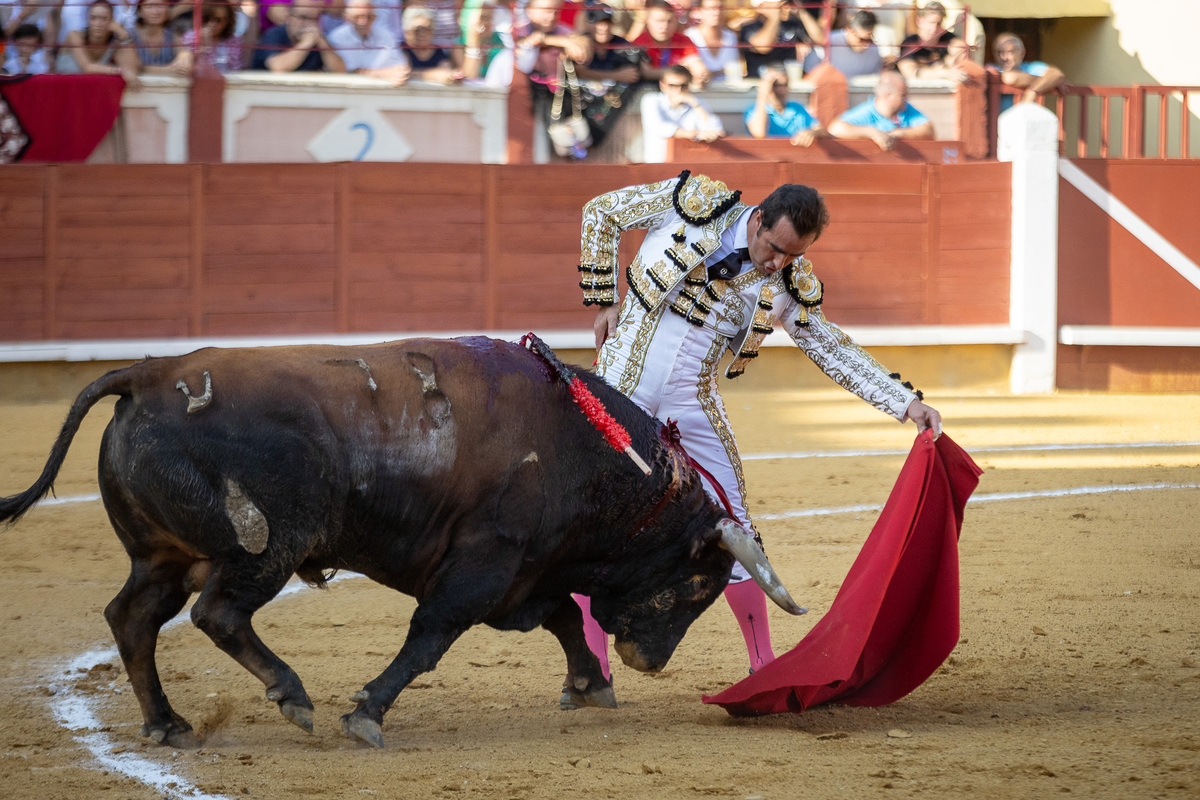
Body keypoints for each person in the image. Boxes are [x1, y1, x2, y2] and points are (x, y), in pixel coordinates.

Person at [574, 171, 942, 686]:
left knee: (735, 523)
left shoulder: (787, 284)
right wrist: (603, 298)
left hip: (691, 400)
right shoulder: (691, 204)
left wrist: (904, 403)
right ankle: (589, 673)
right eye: (774, 248)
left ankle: (763, 666)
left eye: (792, 256)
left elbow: (830, 347)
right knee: (594, 519)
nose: (778, 263)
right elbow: (602, 211)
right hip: (620, 382)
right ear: (760, 218)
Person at [827, 68, 933, 150]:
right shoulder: (867, 112)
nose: (906, 99)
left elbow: (929, 130)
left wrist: (898, 134)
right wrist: (873, 133)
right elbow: (835, 129)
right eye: (902, 95)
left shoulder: (905, 109)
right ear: (887, 96)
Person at [639, 62, 724, 163]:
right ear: (662, 85)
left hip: (690, 165)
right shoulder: (651, 100)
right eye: (672, 85)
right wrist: (695, 135)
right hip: (658, 163)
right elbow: (659, 127)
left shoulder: (696, 101)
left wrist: (695, 104)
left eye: (683, 86)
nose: (678, 90)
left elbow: (715, 128)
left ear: (689, 86)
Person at [56, 0, 140, 84]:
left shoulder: (113, 42)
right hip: (64, 87)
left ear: (112, 21)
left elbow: (131, 69)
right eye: (93, 18)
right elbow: (87, 67)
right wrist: (120, 71)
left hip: (90, 90)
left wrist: (122, 33)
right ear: (87, 20)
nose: (98, 23)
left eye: (104, 19)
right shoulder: (74, 35)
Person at [329, 0, 409, 85]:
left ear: (375, 17)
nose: (363, 22)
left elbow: (400, 66)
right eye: (358, 17)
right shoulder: (338, 37)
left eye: (369, 17)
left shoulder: (385, 36)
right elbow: (350, 71)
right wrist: (386, 73)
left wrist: (399, 74)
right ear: (348, 17)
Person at [744, 62, 825, 146]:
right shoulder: (754, 110)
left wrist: (813, 133)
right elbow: (759, 133)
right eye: (775, 85)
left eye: (785, 85)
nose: (781, 90)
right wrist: (763, 93)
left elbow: (823, 130)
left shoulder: (797, 108)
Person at [252, 0, 345, 72]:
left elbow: (340, 70)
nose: (307, 23)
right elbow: (277, 67)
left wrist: (323, 45)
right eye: (303, 17)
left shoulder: (319, 39)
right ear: (289, 17)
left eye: (313, 19)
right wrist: (306, 44)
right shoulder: (275, 34)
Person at [738, 0, 821, 80]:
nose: (783, 5)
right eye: (778, 3)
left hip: (788, 85)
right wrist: (774, 17)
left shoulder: (791, 25)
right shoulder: (749, 27)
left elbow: (820, 39)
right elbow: (763, 47)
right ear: (761, 6)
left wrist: (801, 12)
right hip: (758, 84)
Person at [631, 0, 705, 84]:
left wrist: (700, 73)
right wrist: (681, 70)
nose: (664, 26)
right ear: (647, 21)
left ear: (676, 21)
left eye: (669, 21)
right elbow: (647, 73)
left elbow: (696, 65)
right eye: (659, 21)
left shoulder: (684, 41)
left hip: (678, 91)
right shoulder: (639, 42)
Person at [991, 31, 1065, 109]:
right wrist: (1047, 82)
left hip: (1026, 118)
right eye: (999, 52)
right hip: (998, 119)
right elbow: (1010, 78)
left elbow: (1057, 74)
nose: (1004, 58)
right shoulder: (992, 69)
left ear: (1022, 53)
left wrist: (1033, 91)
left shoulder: (1031, 67)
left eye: (1010, 52)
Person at [180, 0, 257, 74]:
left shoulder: (234, 41)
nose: (211, 24)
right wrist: (202, 48)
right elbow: (186, 69)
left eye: (217, 20)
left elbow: (235, 70)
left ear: (227, 21)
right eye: (207, 18)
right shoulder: (190, 37)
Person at [804, 7, 883, 80]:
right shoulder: (829, 43)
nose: (866, 45)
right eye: (862, 39)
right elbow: (809, 75)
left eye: (869, 40)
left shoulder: (874, 50)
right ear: (849, 30)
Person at [896, 1, 965, 82]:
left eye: (938, 24)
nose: (934, 28)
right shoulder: (909, 43)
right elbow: (911, 72)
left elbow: (962, 54)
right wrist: (944, 72)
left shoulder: (948, 39)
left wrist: (952, 58)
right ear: (919, 21)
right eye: (931, 23)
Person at [684, 0, 738, 83]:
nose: (717, 12)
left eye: (720, 8)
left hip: (731, 92)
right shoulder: (689, 36)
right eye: (711, 8)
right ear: (699, 10)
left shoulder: (732, 36)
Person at [401, 5, 460, 82]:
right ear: (407, 32)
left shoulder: (438, 51)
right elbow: (404, 73)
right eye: (418, 29)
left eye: (427, 29)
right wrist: (434, 74)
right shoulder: (402, 50)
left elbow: (446, 71)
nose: (423, 34)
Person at [131, 0, 189, 76]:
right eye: (149, 6)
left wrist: (185, 58)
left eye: (160, 6)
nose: (155, 12)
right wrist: (169, 69)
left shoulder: (173, 35)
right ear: (139, 11)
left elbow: (184, 56)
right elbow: (134, 67)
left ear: (168, 10)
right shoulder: (129, 36)